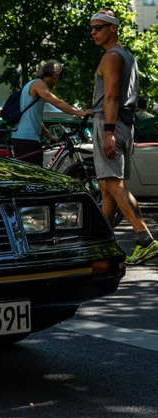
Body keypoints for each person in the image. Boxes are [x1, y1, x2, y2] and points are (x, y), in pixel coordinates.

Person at [90, 9, 157, 264]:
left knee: (114, 184)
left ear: (113, 28)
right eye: (91, 28)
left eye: (99, 27)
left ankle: (145, 239)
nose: (94, 32)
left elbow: (111, 97)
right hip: (123, 124)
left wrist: (108, 132)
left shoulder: (111, 57)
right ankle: (100, 247)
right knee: (108, 189)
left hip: (111, 124)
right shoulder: (127, 56)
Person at [10, 60, 90, 165]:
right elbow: (57, 102)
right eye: (58, 77)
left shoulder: (31, 84)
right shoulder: (39, 84)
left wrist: (50, 137)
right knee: (34, 178)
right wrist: (81, 113)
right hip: (28, 140)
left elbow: (35, 119)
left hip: (22, 138)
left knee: (30, 177)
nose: (57, 81)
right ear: (55, 75)